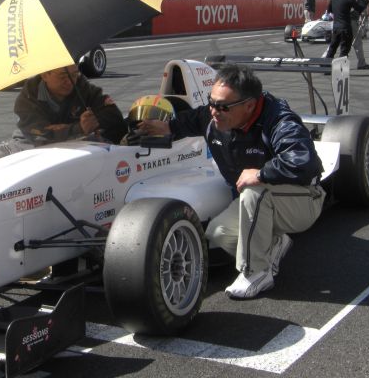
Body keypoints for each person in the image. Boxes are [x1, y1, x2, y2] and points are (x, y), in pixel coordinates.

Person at [138, 63, 326, 299]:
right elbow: (189, 121)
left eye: (223, 106)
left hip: (303, 199)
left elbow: (302, 161)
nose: (214, 111)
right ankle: (274, 244)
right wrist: (165, 127)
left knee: (255, 191)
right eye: (212, 102)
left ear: (249, 105)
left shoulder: (279, 120)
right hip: (257, 200)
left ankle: (256, 272)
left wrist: (260, 173)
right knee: (219, 234)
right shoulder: (214, 115)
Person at [0, 64, 127, 168]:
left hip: (76, 145)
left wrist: (96, 120)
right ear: (45, 75)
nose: (70, 82)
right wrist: (79, 127)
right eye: (62, 76)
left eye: (74, 74)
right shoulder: (27, 97)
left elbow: (115, 118)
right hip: (28, 144)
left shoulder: (84, 88)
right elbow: (40, 136)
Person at [324, 0, 369, 67]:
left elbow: (330, 10)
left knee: (333, 47)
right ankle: (340, 69)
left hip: (336, 26)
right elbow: (359, 9)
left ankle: (325, 66)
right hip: (346, 27)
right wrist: (367, 0)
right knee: (344, 50)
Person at [349, 0, 369, 70]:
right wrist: (366, 0)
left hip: (347, 19)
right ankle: (361, 63)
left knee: (337, 41)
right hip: (351, 19)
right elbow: (358, 7)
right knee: (357, 42)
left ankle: (324, 60)